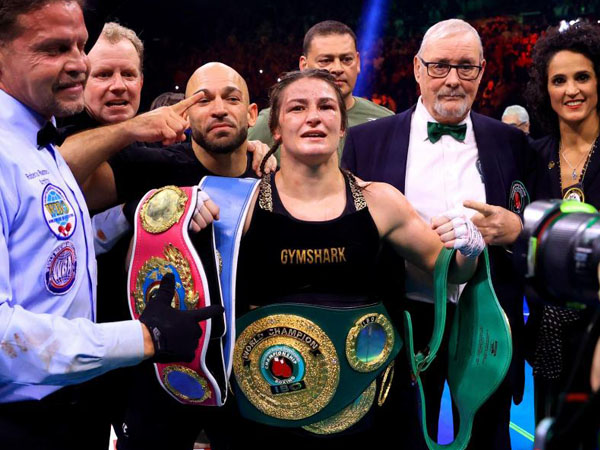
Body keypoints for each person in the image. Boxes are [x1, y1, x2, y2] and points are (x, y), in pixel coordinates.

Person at [0, 2, 220, 449]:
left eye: (80, 45)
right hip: (20, 417)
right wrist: (144, 336)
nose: (78, 63)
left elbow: (55, 243)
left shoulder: (36, 145)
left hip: (71, 407)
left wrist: (136, 215)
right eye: (55, 48)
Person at [228, 68, 483, 450]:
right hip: (271, 405)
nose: (314, 116)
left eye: (326, 106)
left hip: (372, 403)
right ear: (276, 128)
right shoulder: (240, 207)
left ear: (343, 127)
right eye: (298, 108)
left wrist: (468, 247)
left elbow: (449, 271)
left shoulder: (381, 202)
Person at [342, 18, 535, 449]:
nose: (452, 80)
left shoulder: (511, 143)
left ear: (482, 71)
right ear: (416, 69)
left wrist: (516, 229)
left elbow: (538, 222)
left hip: (487, 321)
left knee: (490, 438)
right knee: (402, 438)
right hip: (403, 321)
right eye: (439, 66)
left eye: (466, 67)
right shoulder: (366, 142)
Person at [81, 62, 267, 450]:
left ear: (252, 115)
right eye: (203, 100)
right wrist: (131, 131)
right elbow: (61, 177)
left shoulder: (271, 179)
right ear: (185, 113)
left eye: (232, 98)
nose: (218, 108)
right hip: (157, 372)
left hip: (247, 373)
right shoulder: (149, 165)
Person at [524, 20, 600, 439]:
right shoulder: (532, 156)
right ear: (545, 90)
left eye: (582, 77)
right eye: (559, 80)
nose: (571, 90)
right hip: (548, 335)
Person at [248, 20, 394, 159]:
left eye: (346, 59)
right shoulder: (274, 119)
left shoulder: (385, 120)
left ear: (358, 62)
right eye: (326, 60)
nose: (337, 68)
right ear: (304, 66)